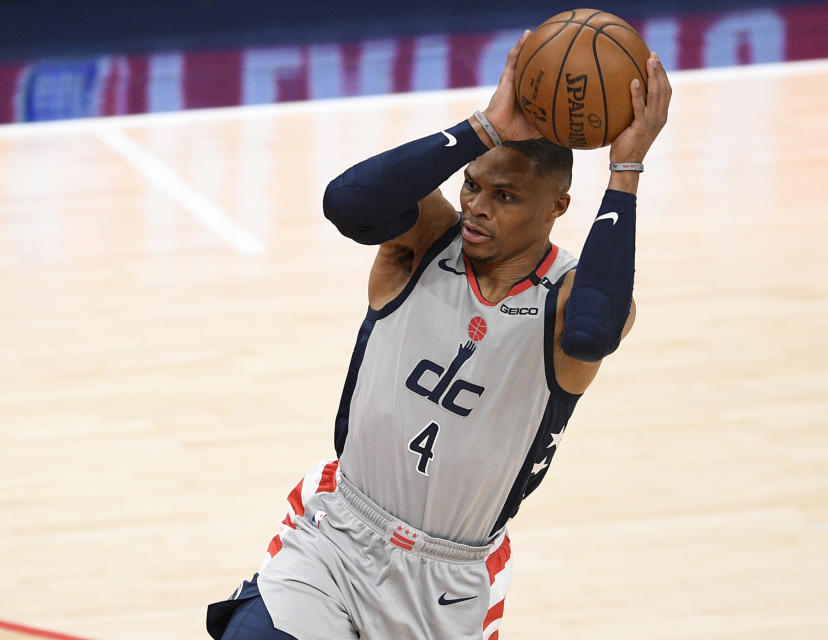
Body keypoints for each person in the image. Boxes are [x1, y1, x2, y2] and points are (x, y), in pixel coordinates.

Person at [206, 29, 671, 640]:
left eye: (504, 196)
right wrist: (484, 126)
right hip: (340, 540)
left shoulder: (567, 299)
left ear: (559, 206)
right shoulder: (425, 242)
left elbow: (594, 332)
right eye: (473, 185)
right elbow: (348, 203)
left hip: (448, 585)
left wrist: (626, 169)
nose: (476, 205)